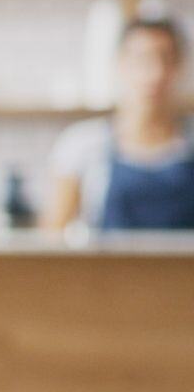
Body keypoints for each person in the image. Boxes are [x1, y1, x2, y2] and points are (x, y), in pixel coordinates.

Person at [47, 16, 194, 231]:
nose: (156, 73)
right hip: (104, 267)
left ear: (179, 66)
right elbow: (52, 239)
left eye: (166, 59)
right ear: (121, 64)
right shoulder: (82, 144)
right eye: (143, 60)